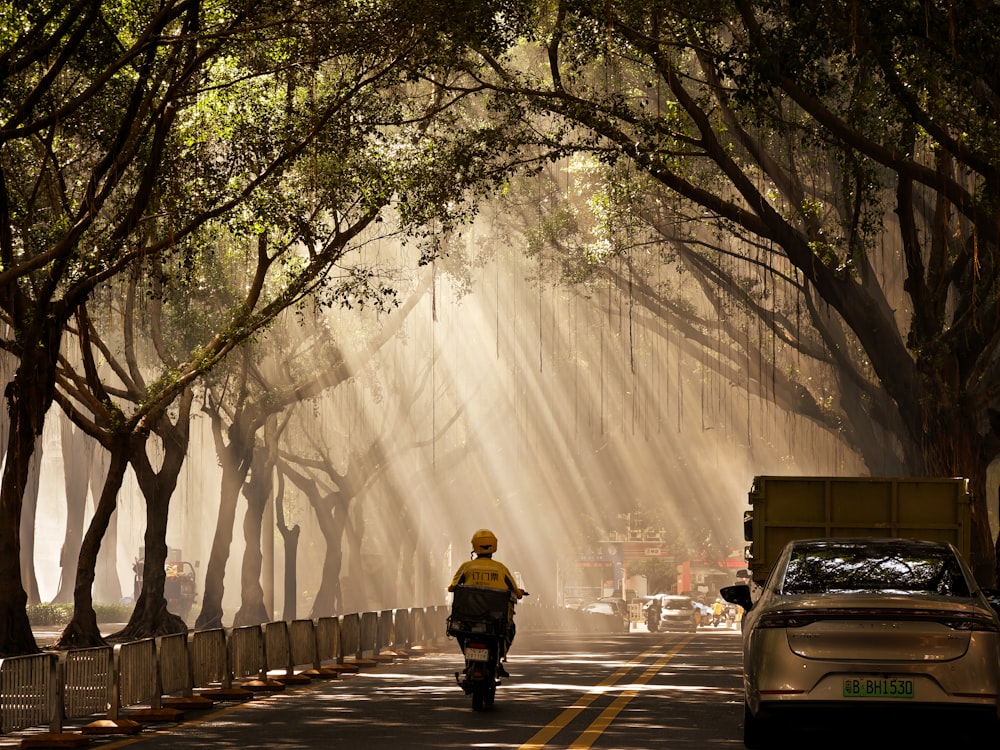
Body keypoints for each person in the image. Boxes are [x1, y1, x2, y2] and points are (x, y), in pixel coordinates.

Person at [448, 528, 525, 677]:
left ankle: (467, 656)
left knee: (459, 632)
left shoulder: (467, 567)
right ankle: (498, 660)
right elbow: (515, 591)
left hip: (469, 617)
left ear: (474, 546)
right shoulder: (500, 568)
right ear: (493, 546)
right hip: (494, 620)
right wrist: (520, 593)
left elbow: (452, 587)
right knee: (510, 630)